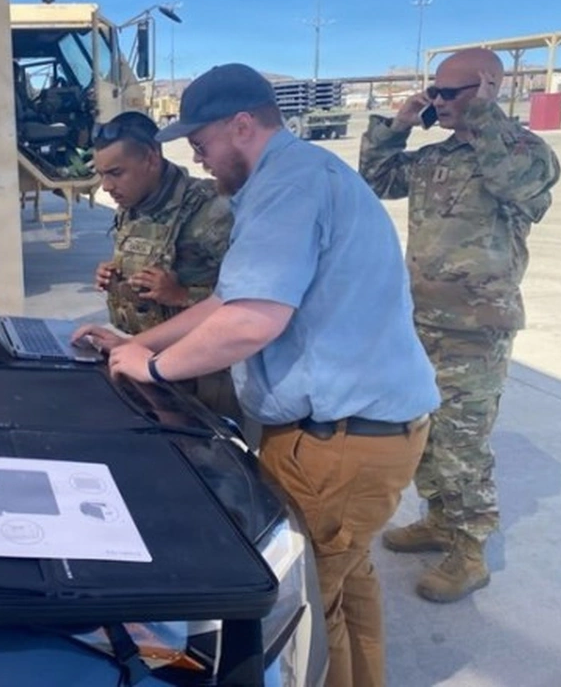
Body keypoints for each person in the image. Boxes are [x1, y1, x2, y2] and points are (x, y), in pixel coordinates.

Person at [74, 63, 441, 687]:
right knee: (348, 585)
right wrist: (140, 342)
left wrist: (155, 367)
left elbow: (252, 320)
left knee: (305, 614)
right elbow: (230, 300)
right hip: (369, 432)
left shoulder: (286, 188)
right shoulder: (305, 176)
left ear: (241, 126)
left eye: (202, 145)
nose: (200, 159)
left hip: (339, 441)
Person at [359, 47, 560, 603]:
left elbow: (516, 183)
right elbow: (376, 178)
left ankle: (469, 551)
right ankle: (440, 522)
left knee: (462, 443)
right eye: (436, 91)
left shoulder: (525, 154)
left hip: (476, 328)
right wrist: (398, 125)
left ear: (490, 88)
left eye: (453, 92)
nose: (439, 101)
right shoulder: (436, 158)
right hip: (421, 321)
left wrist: (482, 116)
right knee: (425, 433)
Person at [90, 111, 240, 425]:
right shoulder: (135, 204)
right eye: (102, 174)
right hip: (145, 364)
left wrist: (182, 294)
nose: (106, 186)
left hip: (202, 378)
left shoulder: (212, 210)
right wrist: (114, 275)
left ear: (151, 158)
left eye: (116, 172)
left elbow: (250, 303)